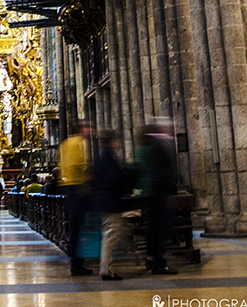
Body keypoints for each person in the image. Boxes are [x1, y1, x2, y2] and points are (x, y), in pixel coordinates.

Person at [135, 120, 179, 276]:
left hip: (149, 193)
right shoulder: (157, 146)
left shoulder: (142, 148)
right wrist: (169, 189)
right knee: (161, 230)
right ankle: (159, 263)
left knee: (153, 230)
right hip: (159, 193)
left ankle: (151, 258)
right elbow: (164, 170)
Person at [93, 129, 129, 281]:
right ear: (111, 141)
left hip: (106, 201)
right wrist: (123, 189)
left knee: (112, 233)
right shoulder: (108, 157)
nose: (119, 143)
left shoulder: (103, 155)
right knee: (111, 235)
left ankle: (107, 267)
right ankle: (106, 269)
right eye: (116, 140)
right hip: (110, 201)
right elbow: (113, 179)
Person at [59, 120, 94, 276]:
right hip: (76, 188)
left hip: (70, 187)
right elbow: (76, 166)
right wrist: (84, 185)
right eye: (87, 128)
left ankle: (78, 259)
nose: (90, 130)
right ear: (80, 130)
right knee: (77, 227)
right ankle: (76, 262)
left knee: (76, 227)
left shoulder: (66, 143)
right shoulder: (77, 143)